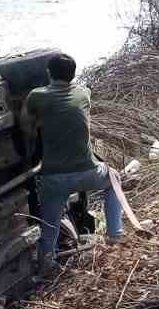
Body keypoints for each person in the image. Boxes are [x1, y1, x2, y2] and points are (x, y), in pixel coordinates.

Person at [22, 54, 123, 268]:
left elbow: (26, 128)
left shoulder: (36, 96)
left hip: (54, 178)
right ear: (73, 74)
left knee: (49, 224)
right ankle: (115, 235)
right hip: (88, 173)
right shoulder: (83, 93)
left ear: (49, 73)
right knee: (113, 178)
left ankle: (47, 263)